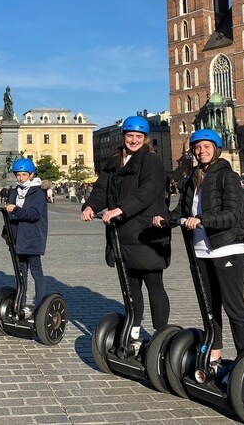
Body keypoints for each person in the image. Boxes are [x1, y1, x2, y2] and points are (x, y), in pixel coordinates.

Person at [152, 129, 244, 365]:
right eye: (197, 147)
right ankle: (215, 352)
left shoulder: (228, 176)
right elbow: (182, 212)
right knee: (209, 305)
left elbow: (233, 214)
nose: (201, 151)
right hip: (200, 250)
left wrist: (203, 219)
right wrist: (163, 218)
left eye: (207, 147)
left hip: (227, 249)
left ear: (216, 149)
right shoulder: (192, 178)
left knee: (233, 306)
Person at [81, 115, 171, 346]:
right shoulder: (114, 162)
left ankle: (161, 335)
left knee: (153, 284)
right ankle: (134, 330)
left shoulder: (151, 161)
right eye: (129, 135)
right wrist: (91, 205)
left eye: (138, 136)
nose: (133, 140)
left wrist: (120, 209)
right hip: (122, 234)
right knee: (130, 288)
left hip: (146, 233)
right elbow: (101, 189)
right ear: (123, 137)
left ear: (145, 139)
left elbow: (147, 191)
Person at [5, 158, 47, 318]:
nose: (21, 178)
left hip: (32, 236)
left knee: (36, 271)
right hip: (17, 237)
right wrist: (6, 231)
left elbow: (34, 214)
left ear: (31, 174)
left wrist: (16, 209)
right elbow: (10, 213)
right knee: (21, 272)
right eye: (18, 175)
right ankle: (20, 305)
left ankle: (40, 304)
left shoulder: (38, 192)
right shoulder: (15, 191)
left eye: (24, 174)